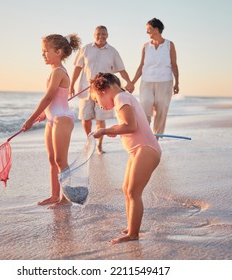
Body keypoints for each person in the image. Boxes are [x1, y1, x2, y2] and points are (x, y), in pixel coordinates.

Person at [90, 72, 161, 244]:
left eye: (96, 100)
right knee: (126, 190)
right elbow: (127, 125)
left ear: (104, 91)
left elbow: (130, 125)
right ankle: (131, 226)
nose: (99, 105)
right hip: (138, 151)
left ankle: (133, 234)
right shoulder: (123, 98)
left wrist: (105, 131)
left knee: (133, 192)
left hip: (146, 149)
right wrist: (115, 129)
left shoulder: (121, 99)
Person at [22, 33, 81, 209]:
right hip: (52, 119)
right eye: (42, 52)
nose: (43, 55)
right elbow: (55, 100)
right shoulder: (54, 72)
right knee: (52, 159)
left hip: (62, 119)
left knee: (61, 160)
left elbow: (48, 98)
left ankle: (66, 198)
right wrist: (43, 115)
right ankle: (55, 195)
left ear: (58, 51)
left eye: (45, 51)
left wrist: (31, 119)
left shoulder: (58, 72)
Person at [70, 25, 134, 154]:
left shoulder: (112, 51)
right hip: (86, 89)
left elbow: (121, 69)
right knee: (86, 118)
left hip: (104, 91)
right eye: (98, 34)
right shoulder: (86, 49)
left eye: (103, 34)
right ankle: (90, 142)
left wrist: (129, 82)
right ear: (94, 35)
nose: (101, 36)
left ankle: (99, 145)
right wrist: (72, 85)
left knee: (100, 118)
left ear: (107, 35)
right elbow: (77, 68)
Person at [131, 18, 179, 137]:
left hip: (165, 82)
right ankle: (145, 136)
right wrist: (132, 82)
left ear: (157, 30)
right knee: (145, 108)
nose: (147, 33)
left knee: (161, 111)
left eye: (149, 30)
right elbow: (141, 65)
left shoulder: (169, 45)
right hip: (146, 82)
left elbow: (174, 64)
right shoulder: (146, 46)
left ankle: (156, 138)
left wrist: (177, 83)